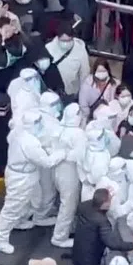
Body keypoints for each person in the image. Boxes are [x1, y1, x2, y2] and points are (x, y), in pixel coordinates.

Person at [0, 110, 66, 254]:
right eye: (38, 122)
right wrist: (61, 153)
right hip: (21, 177)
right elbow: (47, 162)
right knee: (12, 209)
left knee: (26, 202)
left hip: (20, 172)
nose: (41, 125)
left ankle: (19, 221)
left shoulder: (18, 132)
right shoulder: (30, 143)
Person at [72, 188, 133, 265]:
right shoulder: (102, 221)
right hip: (90, 260)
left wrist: (105, 197)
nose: (111, 201)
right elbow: (112, 243)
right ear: (104, 205)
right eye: (109, 200)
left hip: (78, 251)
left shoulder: (84, 205)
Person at [48, 103, 86, 248]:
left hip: (57, 171)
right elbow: (80, 155)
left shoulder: (58, 128)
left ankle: (68, 228)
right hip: (70, 172)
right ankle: (59, 237)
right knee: (68, 205)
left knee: (65, 203)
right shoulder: (78, 134)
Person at [45, 21, 90, 99]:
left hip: (72, 94)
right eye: (63, 41)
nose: (65, 44)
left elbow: (84, 74)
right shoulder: (49, 49)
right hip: (52, 94)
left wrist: (82, 95)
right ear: (57, 38)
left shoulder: (80, 50)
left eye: (68, 41)